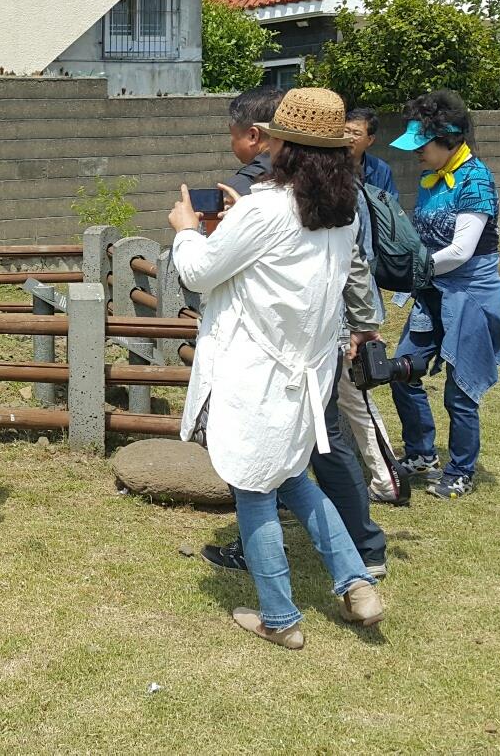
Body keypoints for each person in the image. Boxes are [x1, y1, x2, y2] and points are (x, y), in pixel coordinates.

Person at [171, 87, 384, 649]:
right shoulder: (341, 211)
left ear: (282, 143)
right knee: (291, 475)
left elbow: (199, 272)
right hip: (307, 369)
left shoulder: (267, 208)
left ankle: (280, 617)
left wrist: (186, 228)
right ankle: (356, 582)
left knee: (252, 485)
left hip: (257, 371)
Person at [386, 90, 500, 499]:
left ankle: (460, 470)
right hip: (431, 292)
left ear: (449, 141)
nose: (416, 153)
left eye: (422, 145)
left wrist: (409, 270)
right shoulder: (430, 179)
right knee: (402, 370)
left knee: (460, 390)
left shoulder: (475, 179)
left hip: (470, 294)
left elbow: (461, 251)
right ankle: (422, 453)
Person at [341, 106, 405, 504]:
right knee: (348, 397)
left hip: (346, 311)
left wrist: (361, 323)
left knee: (355, 395)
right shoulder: (337, 181)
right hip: (344, 310)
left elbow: (358, 257)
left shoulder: (347, 187)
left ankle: (387, 479)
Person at [345, 107, 399, 197]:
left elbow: (390, 205)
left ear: (370, 140)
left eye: (356, 133)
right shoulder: (329, 163)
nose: (349, 138)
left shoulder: (381, 170)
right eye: (346, 131)